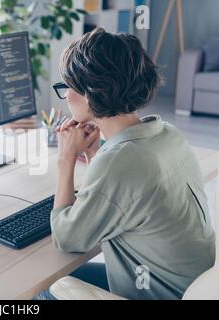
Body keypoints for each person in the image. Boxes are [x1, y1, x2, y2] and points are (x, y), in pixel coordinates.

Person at [40, 27, 215, 300]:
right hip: (190, 285)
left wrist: (65, 161)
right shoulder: (166, 133)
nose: (67, 97)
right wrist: (94, 153)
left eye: (67, 87)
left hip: (158, 293)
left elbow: (68, 238)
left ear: (90, 92)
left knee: (41, 290)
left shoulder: (120, 161)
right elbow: (126, 191)